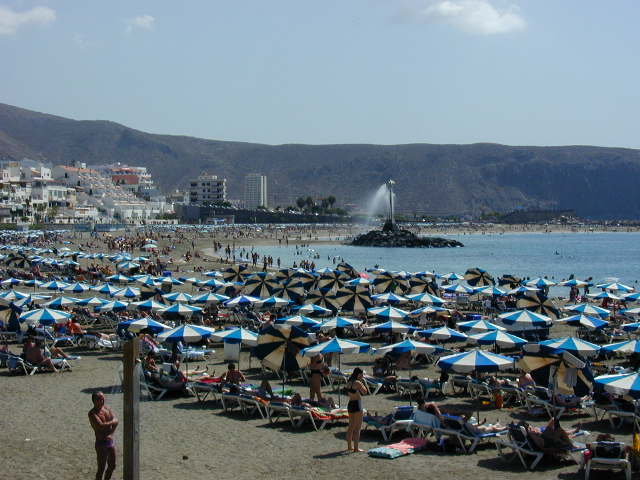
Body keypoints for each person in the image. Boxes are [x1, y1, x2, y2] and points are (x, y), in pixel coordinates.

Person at [88, 392, 118, 480]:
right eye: (99, 399)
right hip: (101, 443)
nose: (102, 401)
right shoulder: (92, 413)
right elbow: (100, 425)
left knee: (112, 465)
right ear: (94, 401)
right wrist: (113, 422)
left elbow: (116, 421)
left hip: (110, 441)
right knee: (101, 469)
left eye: (103, 398)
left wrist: (111, 433)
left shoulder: (107, 409)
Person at [345, 367, 369, 453]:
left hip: (350, 403)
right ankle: (356, 448)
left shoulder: (349, 382)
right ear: (358, 374)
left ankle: (349, 446)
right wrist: (362, 383)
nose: (362, 376)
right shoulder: (358, 382)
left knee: (351, 426)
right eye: (361, 375)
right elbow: (365, 392)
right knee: (358, 428)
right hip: (357, 404)